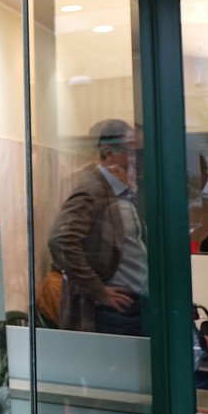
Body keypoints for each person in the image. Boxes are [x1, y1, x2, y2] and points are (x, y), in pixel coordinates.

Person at [48, 118, 146, 335]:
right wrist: (98, 291)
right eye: (131, 153)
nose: (137, 160)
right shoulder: (93, 189)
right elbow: (60, 239)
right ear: (109, 153)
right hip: (114, 313)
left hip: (132, 308)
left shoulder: (121, 190)